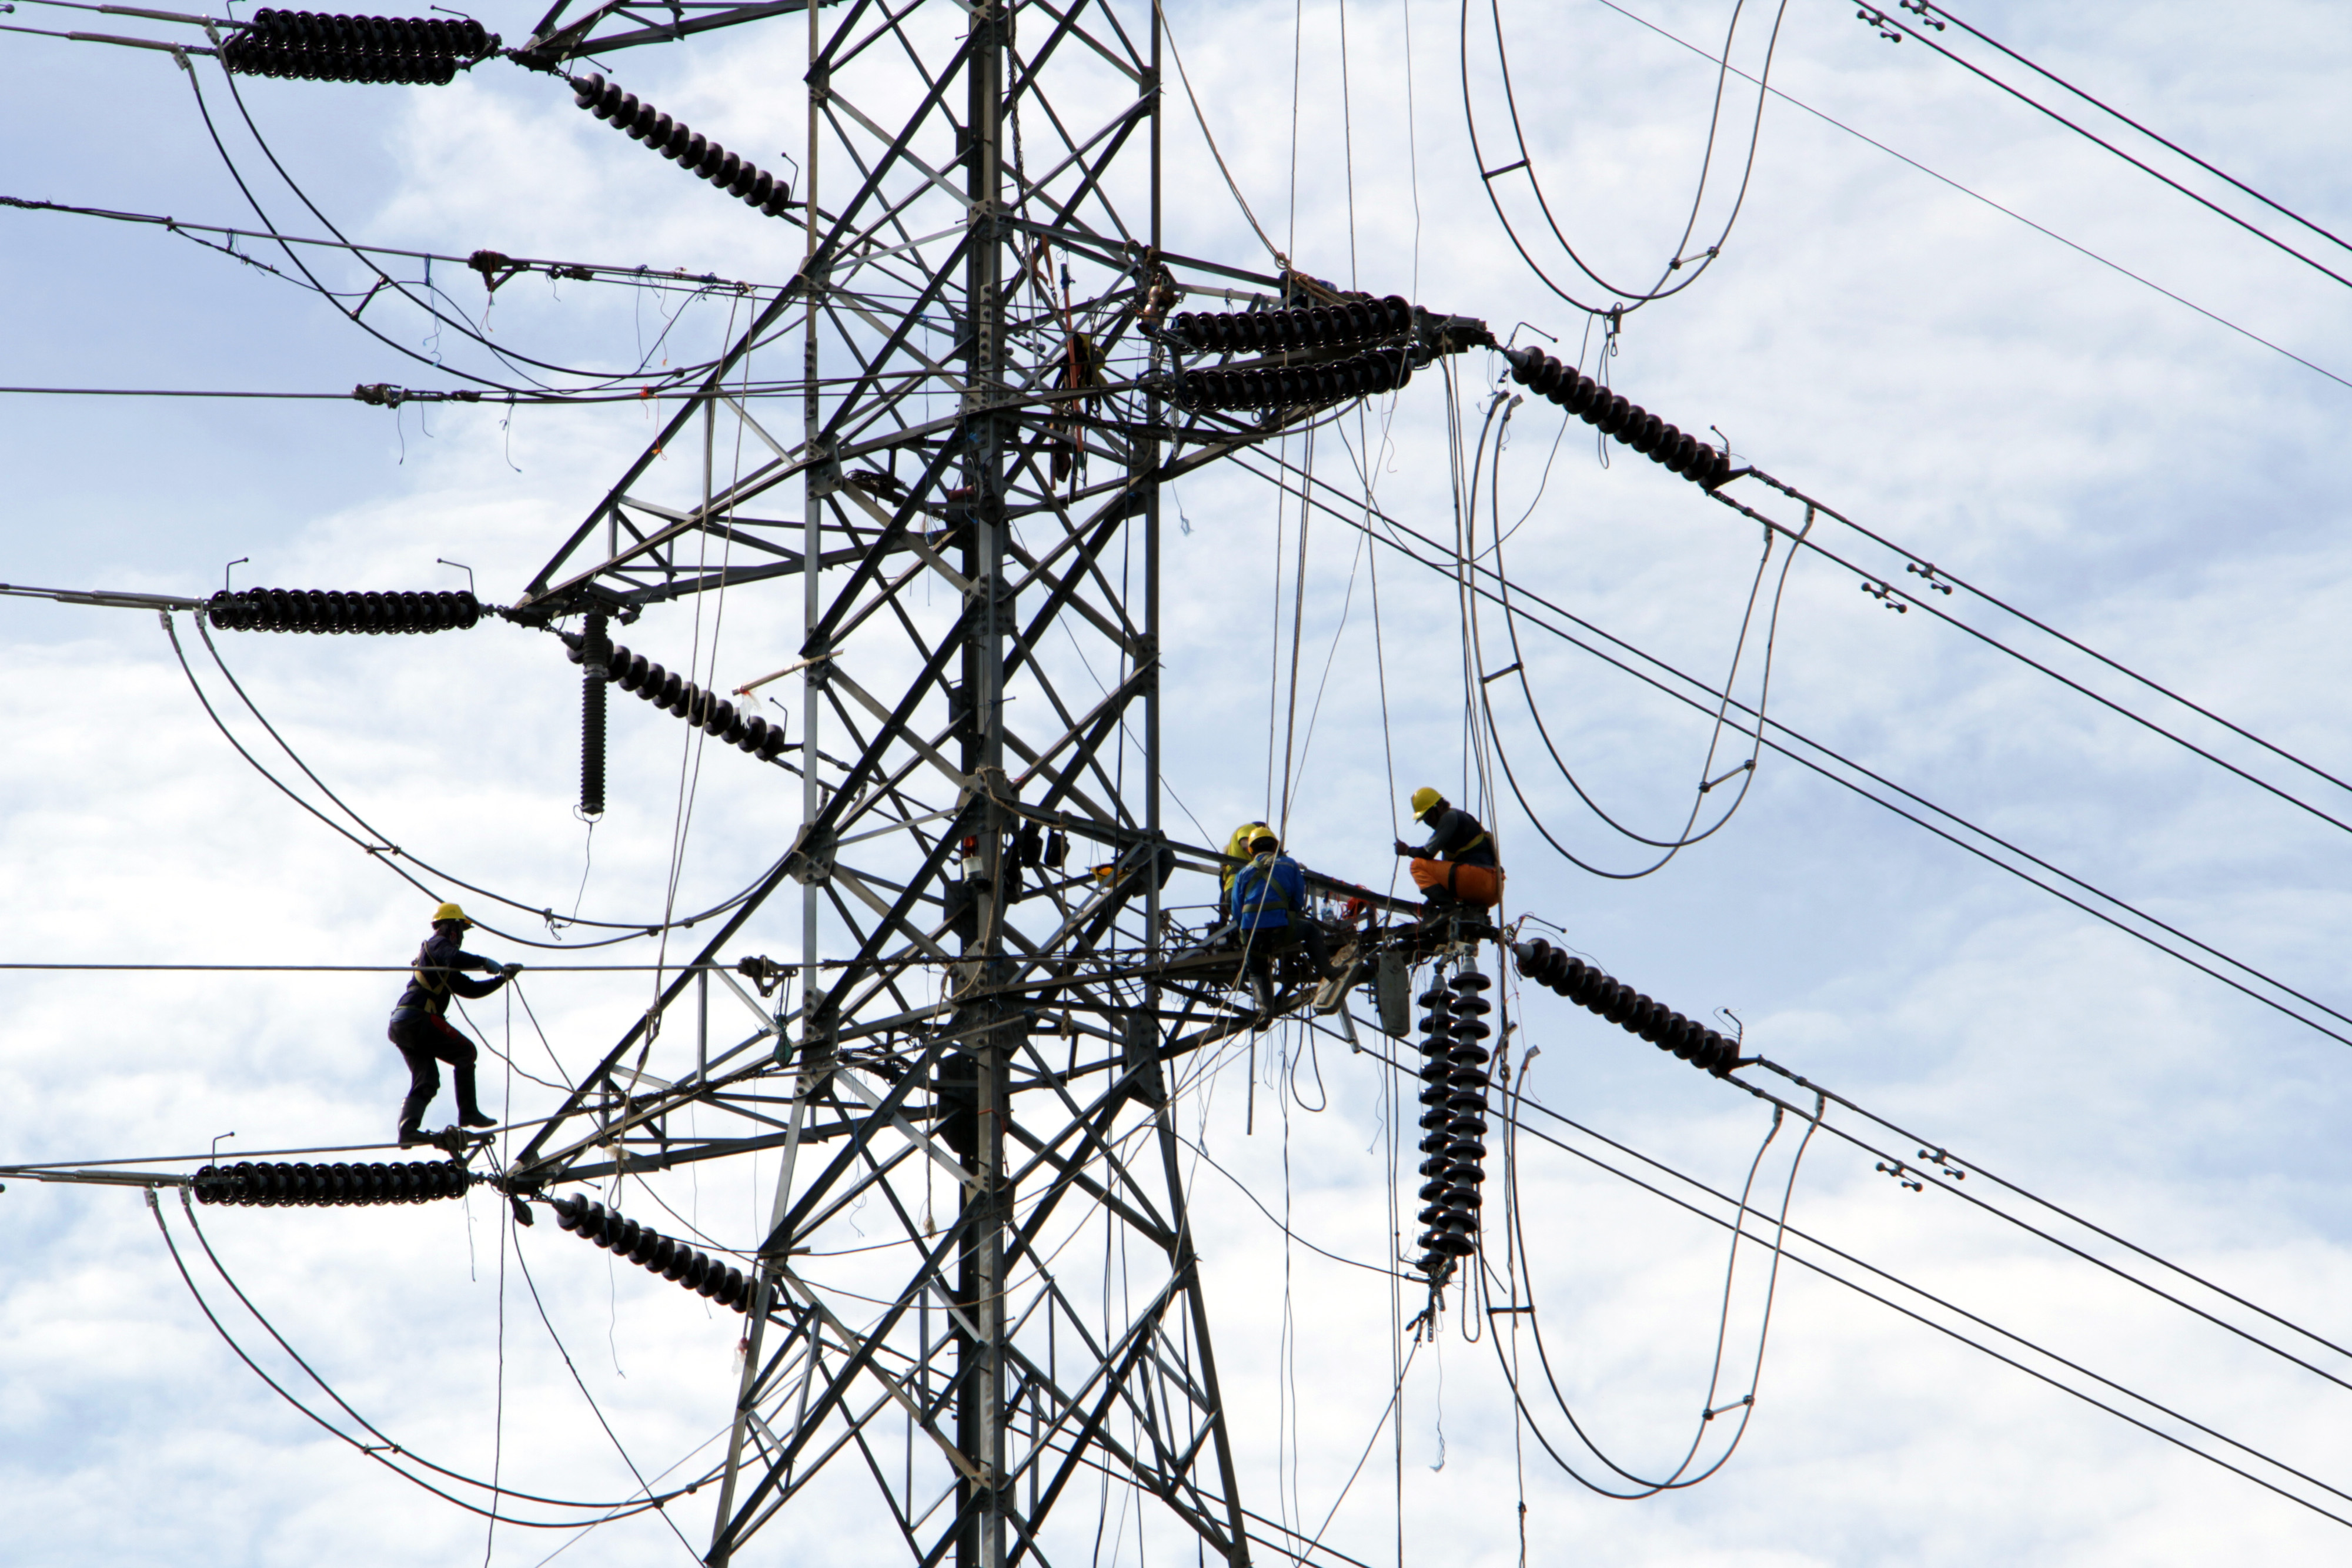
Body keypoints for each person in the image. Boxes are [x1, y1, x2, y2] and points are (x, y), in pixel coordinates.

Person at [387, 901, 516, 1146]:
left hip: (404, 1025)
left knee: (427, 1080)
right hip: (417, 1018)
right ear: (450, 928)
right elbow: (455, 957)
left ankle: (408, 1130)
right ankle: (468, 1112)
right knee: (466, 1051)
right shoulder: (437, 945)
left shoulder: (442, 961)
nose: (461, 937)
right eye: (460, 930)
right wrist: (485, 962)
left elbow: (469, 988)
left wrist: (501, 979)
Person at [1229, 828, 1338, 1014]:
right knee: (1311, 931)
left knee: (1257, 969)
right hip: (1281, 929)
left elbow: (1237, 911)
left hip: (1252, 933)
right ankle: (1327, 971)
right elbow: (1297, 901)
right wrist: (1288, 916)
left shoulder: (1243, 873)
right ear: (1276, 846)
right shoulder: (1289, 865)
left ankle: (1264, 1012)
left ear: (1252, 851)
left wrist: (1249, 928)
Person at [1394, 787, 1504, 911]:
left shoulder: (1450, 817)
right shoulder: (1454, 833)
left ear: (1440, 806)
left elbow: (1426, 854)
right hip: (1492, 890)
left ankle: (1449, 910)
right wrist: (1430, 904)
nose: (1429, 823)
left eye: (1429, 817)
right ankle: (1456, 910)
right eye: (1425, 820)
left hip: (1478, 878)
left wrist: (1407, 851)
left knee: (1417, 865)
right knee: (1447, 875)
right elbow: (1444, 881)